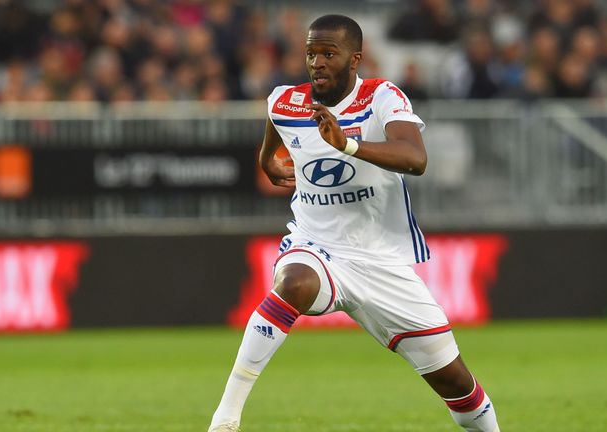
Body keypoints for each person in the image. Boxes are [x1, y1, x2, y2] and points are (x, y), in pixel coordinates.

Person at [208, 15, 501, 432]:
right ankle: (225, 418)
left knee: (456, 383)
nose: (318, 62)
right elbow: (275, 124)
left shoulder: (382, 97)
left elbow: (415, 159)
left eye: (329, 53)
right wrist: (266, 159)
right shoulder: (286, 101)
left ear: (355, 58)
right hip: (318, 247)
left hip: (383, 262)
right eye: (311, 53)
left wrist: (346, 143)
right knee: (294, 283)